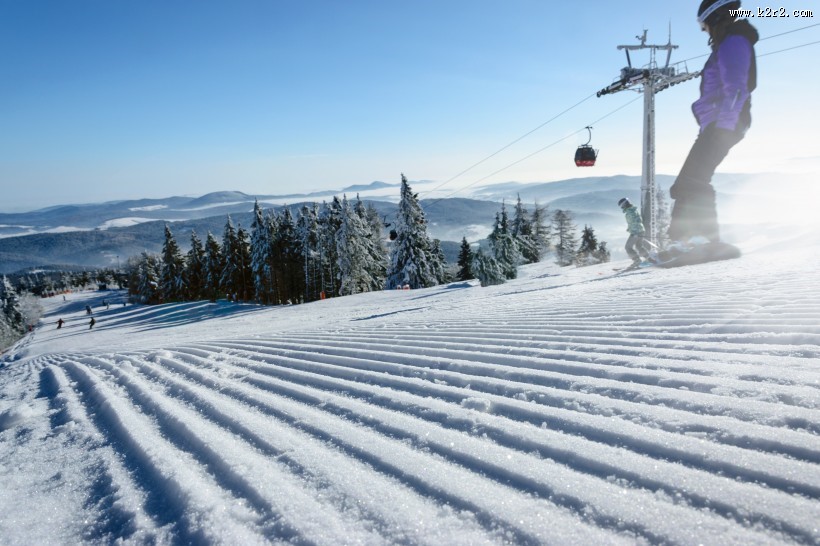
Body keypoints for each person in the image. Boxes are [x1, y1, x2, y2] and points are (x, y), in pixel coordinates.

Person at [668, 0, 758, 246]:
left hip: (725, 123)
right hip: (718, 124)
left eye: (703, 24)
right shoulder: (727, 43)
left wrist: (723, 126)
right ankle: (681, 241)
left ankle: (703, 240)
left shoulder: (734, 42)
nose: (703, 30)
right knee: (688, 182)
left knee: (693, 181)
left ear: (717, 17)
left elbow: (738, 89)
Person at [619, 198, 656, 265]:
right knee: (639, 246)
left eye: (621, 206)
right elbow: (635, 221)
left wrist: (636, 233)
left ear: (624, 204)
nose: (621, 207)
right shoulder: (632, 210)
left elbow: (637, 220)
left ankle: (637, 260)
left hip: (636, 232)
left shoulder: (630, 212)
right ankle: (648, 258)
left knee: (628, 247)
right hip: (640, 230)